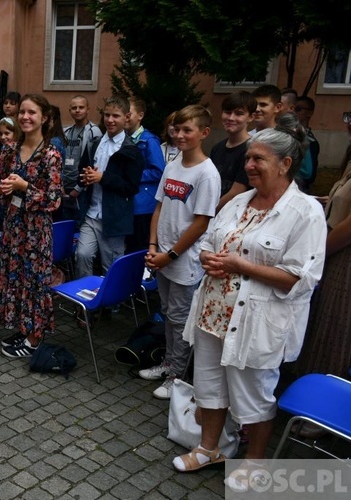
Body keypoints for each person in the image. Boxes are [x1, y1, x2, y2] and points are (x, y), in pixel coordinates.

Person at [171, 126, 326, 486]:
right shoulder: (240, 202)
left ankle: (257, 463)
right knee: (209, 385)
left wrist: (240, 266)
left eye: (258, 159)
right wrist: (210, 257)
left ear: (286, 163)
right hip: (212, 313)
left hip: (257, 321)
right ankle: (209, 449)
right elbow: (210, 239)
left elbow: (301, 279)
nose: (250, 165)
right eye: (248, 158)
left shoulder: (305, 213)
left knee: (254, 394)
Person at [141, 105, 221, 400]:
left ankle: (177, 375)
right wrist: (153, 246)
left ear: (204, 133)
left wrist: (170, 255)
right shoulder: (173, 163)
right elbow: (159, 206)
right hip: (161, 255)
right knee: (167, 312)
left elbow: (200, 223)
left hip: (183, 260)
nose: (181, 135)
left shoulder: (207, 174)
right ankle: (169, 363)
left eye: (188, 130)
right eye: (178, 129)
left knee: (180, 318)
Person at [0, 94, 63, 358]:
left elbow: (54, 199)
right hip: (13, 227)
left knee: (34, 282)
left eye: (32, 112)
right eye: (22, 112)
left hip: (36, 232)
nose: (25, 117)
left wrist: (24, 187)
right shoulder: (10, 150)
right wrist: (6, 188)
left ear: (44, 118)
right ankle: (25, 329)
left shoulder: (51, 154)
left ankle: (35, 339)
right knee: (16, 279)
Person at [297, 110, 351, 379]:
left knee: (336, 324)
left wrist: (319, 252)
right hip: (333, 248)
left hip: (343, 257)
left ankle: (326, 391)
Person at [76, 95, 144, 277]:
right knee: (82, 254)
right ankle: (86, 298)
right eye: (107, 115)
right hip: (91, 213)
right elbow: (81, 170)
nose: (110, 120)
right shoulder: (95, 143)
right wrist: (86, 177)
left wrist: (103, 177)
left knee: (111, 265)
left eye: (116, 116)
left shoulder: (131, 149)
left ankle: (112, 304)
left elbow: (131, 186)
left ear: (126, 117)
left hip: (113, 218)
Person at [125, 97, 166, 251]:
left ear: (140, 116)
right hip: (129, 203)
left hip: (144, 206)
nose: (125, 117)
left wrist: (132, 176)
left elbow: (159, 171)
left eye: (129, 113)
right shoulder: (122, 139)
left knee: (140, 247)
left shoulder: (149, 140)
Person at [210, 91, 256, 212]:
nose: (231, 118)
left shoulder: (251, 150)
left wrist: (207, 213)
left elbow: (236, 192)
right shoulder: (217, 148)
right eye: (227, 112)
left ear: (251, 117)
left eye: (239, 114)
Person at [63, 95, 103, 226]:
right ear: (70, 110)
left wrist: (79, 187)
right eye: (74, 108)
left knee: (80, 225)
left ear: (88, 109)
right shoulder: (67, 132)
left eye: (81, 107)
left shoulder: (94, 132)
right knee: (66, 224)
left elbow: (93, 163)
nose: (77, 110)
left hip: (82, 189)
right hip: (65, 187)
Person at [293, 96, 320, 193]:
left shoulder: (310, 141)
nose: (293, 112)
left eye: (298, 109)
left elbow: (310, 175)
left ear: (309, 113)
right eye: (292, 108)